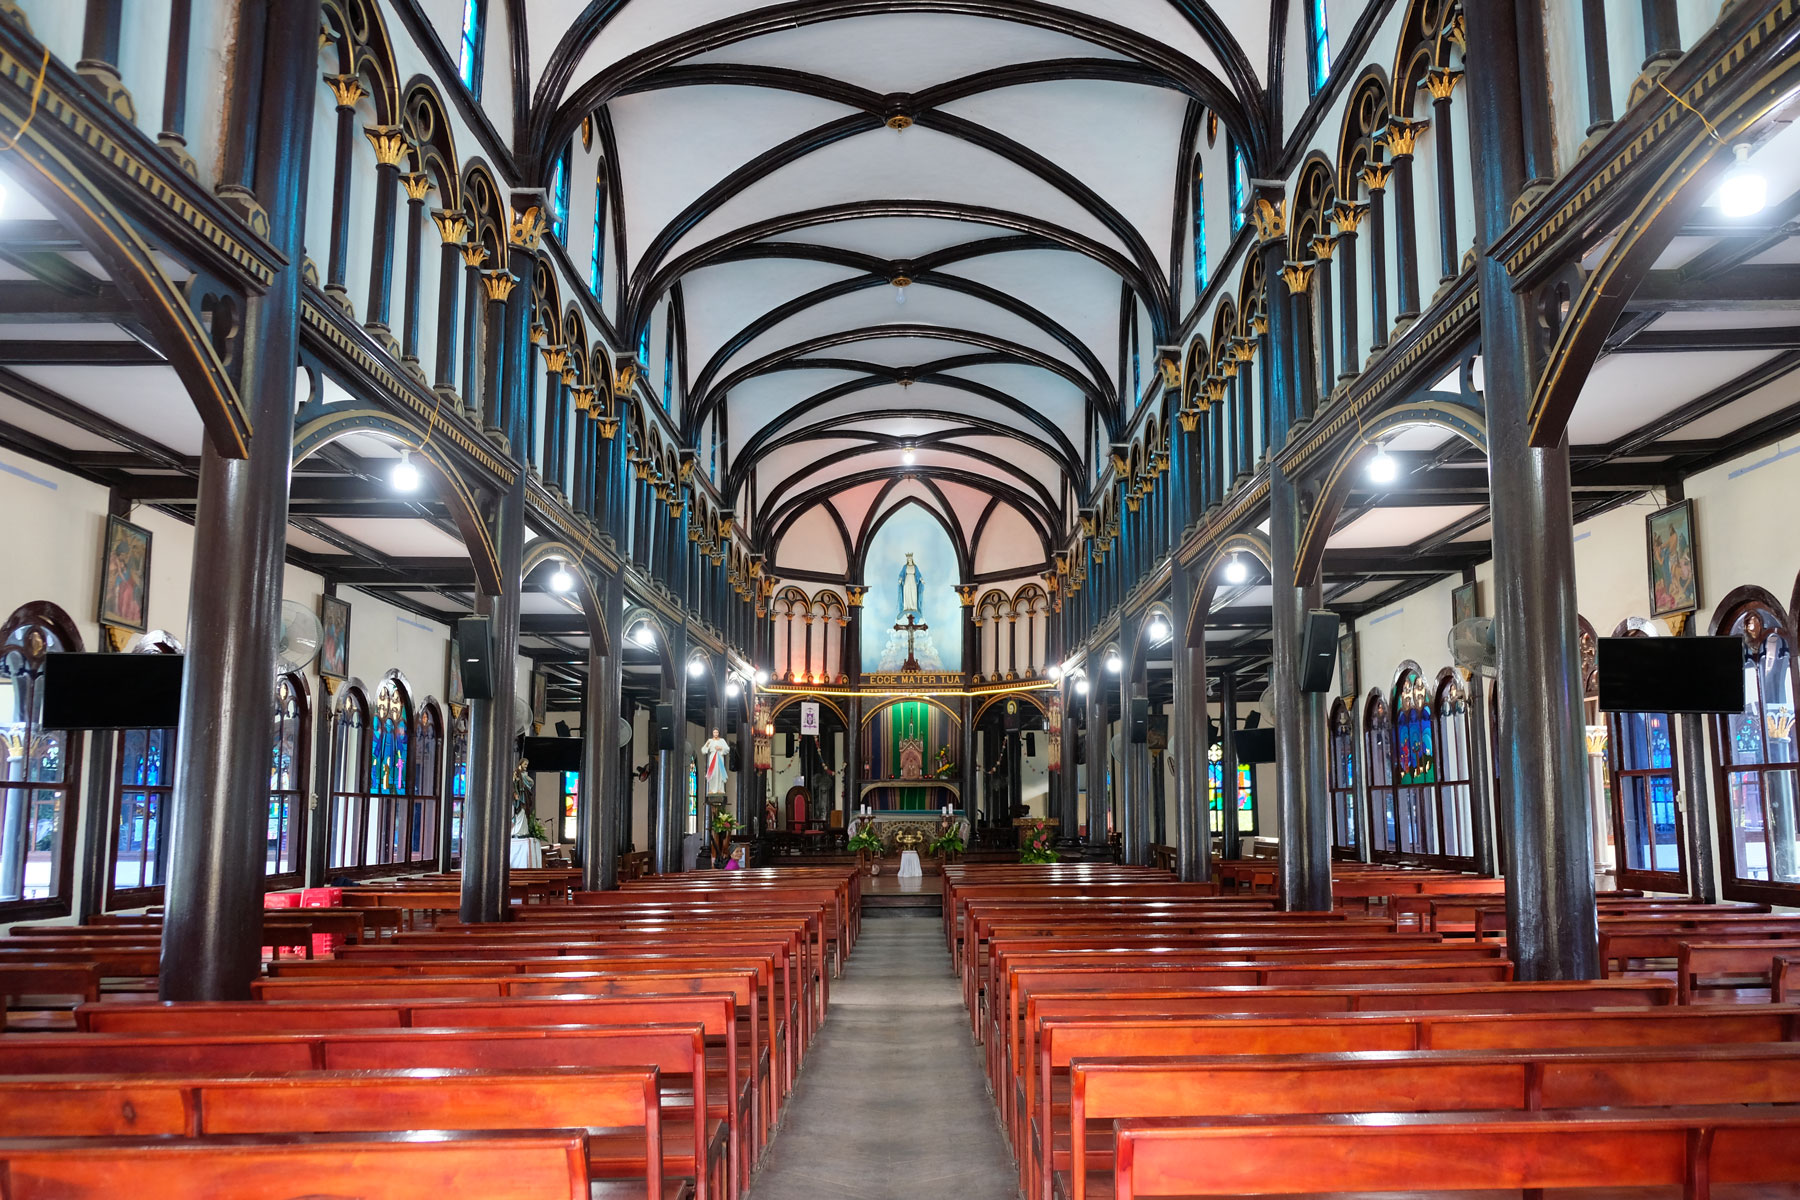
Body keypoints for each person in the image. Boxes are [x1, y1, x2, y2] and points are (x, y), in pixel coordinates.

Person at [700, 728, 730, 796]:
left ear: (718, 733)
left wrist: (720, 748)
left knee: (719, 772)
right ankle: (712, 788)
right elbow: (703, 750)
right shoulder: (710, 741)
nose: (715, 734)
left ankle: (720, 789)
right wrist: (707, 744)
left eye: (717, 732)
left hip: (719, 757)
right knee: (712, 772)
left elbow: (727, 749)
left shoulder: (722, 740)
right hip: (712, 757)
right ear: (712, 733)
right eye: (714, 732)